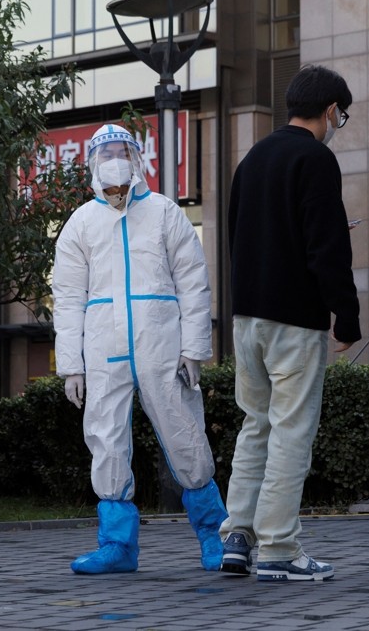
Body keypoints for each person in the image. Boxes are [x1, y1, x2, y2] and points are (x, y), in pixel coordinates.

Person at [52, 124, 227, 575]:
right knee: (106, 440)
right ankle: (117, 546)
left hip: (162, 347)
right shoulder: (81, 223)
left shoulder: (166, 214)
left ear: (135, 159)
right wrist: (72, 364)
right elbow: (68, 297)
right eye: (105, 154)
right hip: (103, 348)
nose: (114, 161)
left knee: (183, 433)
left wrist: (194, 348)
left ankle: (216, 535)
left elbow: (193, 282)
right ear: (92, 165)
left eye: (121, 152)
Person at [219, 64, 361, 582]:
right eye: (340, 115)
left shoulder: (252, 159)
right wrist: (346, 316)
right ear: (329, 110)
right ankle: (279, 548)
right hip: (294, 319)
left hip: (247, 315)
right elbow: (328, 247)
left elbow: (239, 236)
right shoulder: (316, 159)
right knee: (291, 431)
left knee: (254, 425)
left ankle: (237, 535)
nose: (338, 123)